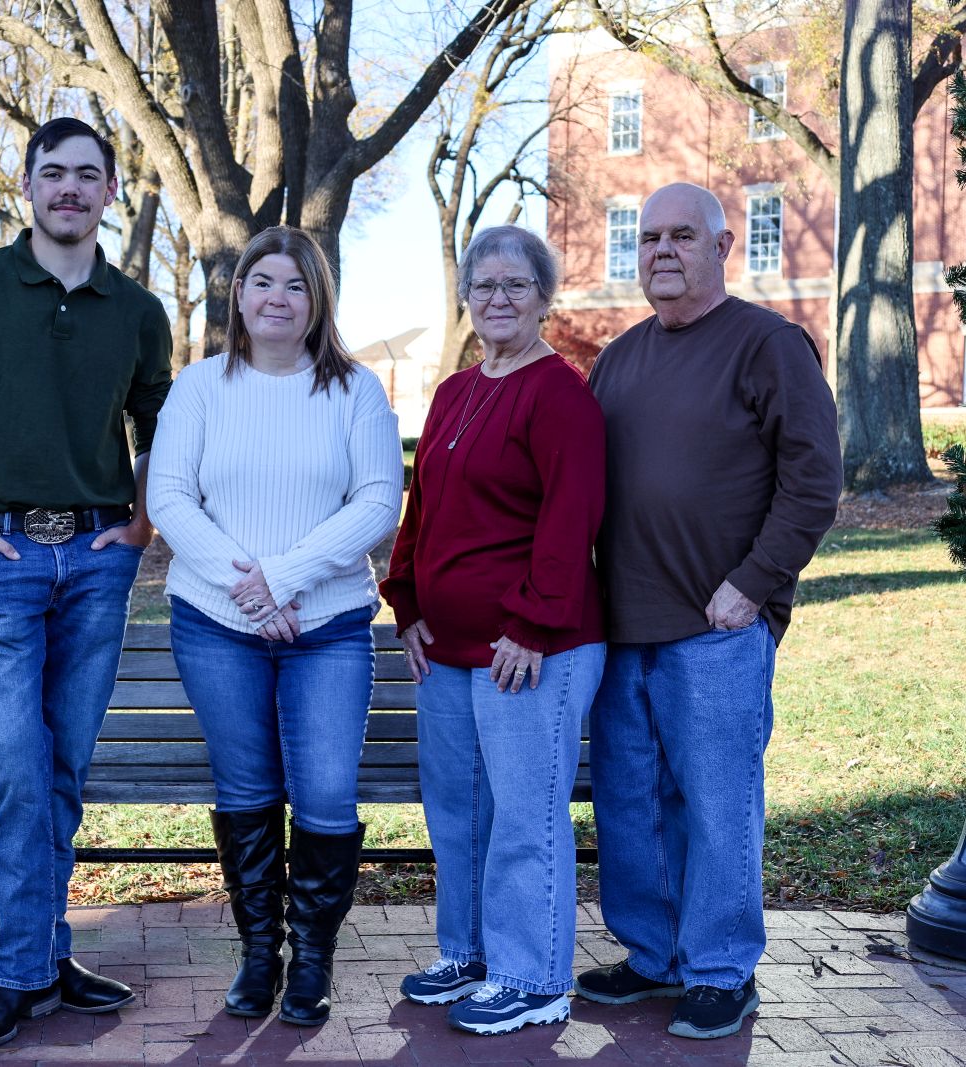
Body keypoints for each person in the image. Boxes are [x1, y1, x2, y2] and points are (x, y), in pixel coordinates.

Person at [0, 117, 173, 1050]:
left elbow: (161, 425)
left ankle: (44, 956)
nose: (70, 188)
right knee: (16, 764)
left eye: (88, 174)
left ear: (110, 192)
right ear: (27, 184)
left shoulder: (136, 309)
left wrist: (140, 524)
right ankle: (19, 971)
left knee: (62, 768)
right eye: (54, 172)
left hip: (96, 559)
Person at [574, 183, 841, 1040]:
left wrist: (754, 583)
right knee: (632, 804)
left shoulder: (768, 344)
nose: (662, 250)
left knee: (719, 804)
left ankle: (722, 969)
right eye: (650, 237)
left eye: (682, 236)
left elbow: (815, 479)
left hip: (718, 625)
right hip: (623, 627)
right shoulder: (618, 359)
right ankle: (654, 956)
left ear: (722, 246)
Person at [147, 226, 403, 1027]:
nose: (278, 298)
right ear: (240, 294)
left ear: (318, 298)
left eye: (296, 285)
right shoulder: (199, 387)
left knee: (324, 793)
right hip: (215, 624)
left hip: (328, 627)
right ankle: (260, 954)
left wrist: (284, 578)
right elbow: (169, 498)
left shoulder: (356, 390)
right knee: (248, 789)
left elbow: (377, 500)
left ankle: (312, 959)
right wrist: (253, 594)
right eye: (263, 281)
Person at [380, 225, 606, 1036]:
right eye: (485, 285)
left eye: (517, 284)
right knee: (459, 812)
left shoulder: (560, 394)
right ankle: (470, 953)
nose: (499, 298)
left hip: (532, 647)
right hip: (447, 649)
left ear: (544, 297)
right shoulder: (454, 391)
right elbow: (423, 505)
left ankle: (533, 975)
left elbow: (572, 516)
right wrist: (407, 602)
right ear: (467, 297)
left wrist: (532, 623)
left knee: (523, 814)